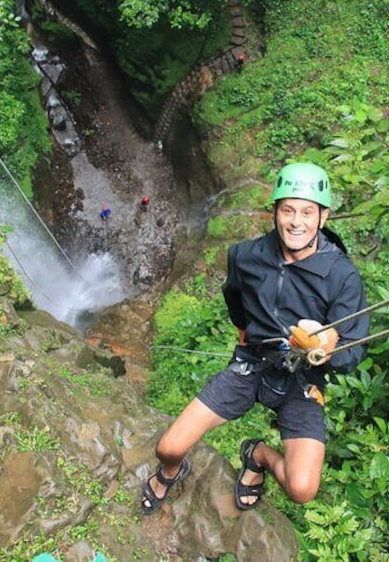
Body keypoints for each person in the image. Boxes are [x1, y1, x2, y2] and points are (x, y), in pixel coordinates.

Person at [140, 162, 369, 515]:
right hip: (253, 363)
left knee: (302, 488)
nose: (297, 221)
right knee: (168, 447)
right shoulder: (246, 257)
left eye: (308, 212)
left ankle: (257, 454)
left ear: (323, 218)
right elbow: (235, 298)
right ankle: (171, 471)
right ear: (274, 212)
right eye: (288, 210)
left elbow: (354, 349)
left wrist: (325, 350)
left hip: (302, 380)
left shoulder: (341, 276)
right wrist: (246, 331)